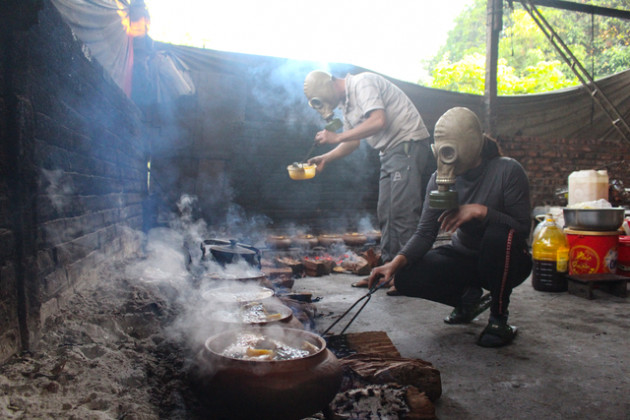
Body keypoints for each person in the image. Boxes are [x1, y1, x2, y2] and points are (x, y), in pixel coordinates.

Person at [367, 107, 533, 347]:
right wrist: (395, 263)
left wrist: (480, 211)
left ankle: (499, 319)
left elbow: (522, 229)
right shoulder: (438, 179)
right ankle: (467, 300)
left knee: (499, 235)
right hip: (465, 258)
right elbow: (425, 233)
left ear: (470, 145)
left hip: (507, 261)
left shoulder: (507, 171)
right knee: (405, 276)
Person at [303, 70, 436, 295]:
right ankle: (386, 272)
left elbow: (378, 121)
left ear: (328, 87)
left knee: (402, 212)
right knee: (386, 212)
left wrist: (336, 136)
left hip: (407, 145)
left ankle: (407, 277)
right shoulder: (347, 105)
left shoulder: (362, 83)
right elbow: (353, 141)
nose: (330, 108)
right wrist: (326, 157)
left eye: (325, 102)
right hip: (389, 151)